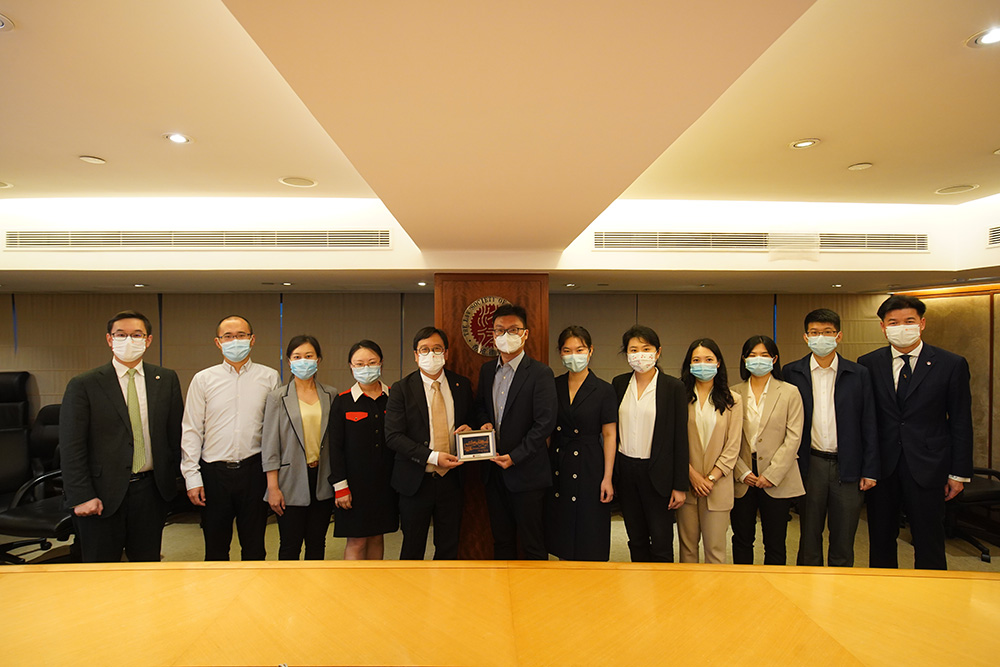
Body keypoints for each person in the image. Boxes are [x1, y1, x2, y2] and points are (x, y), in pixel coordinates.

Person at [858, 295, 973, 570]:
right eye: (893, 322)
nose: (902, 327)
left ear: (922, 323)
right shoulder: (868, 363)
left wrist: (958, 474)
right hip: (883, 467)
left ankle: (931, 592)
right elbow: (865, 418)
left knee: (929, 539)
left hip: (929, 466)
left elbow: (960, 421)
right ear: (883, 327)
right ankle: (884, 590)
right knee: (881, 538)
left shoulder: (950, 363)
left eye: (908, 321)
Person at [60, 310, 183, 562]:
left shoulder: (166, 379)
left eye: (137, 335)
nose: (129, 341)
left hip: (151, 491)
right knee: (101, 571)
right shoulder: (84, 384)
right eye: (121, 335)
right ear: (109, 339)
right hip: (100, 494)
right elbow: (72, 445)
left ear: (148, 340)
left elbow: (174, 435)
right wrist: (81, 495)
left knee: (146, 566)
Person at [783, 309, 879, 568]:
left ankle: (840, 586)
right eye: (814, 333)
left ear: (839, 336)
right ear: (805, 337)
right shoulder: (792, 372)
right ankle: (806, 585)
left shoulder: (858, 374)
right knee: (808, 536)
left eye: (827, 332)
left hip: (848, 466)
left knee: (844, 537)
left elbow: (869, 423)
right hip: (810, 463)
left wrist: (870, 469)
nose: (821, 338)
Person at [180, 315, 280, 561]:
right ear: (218, 342)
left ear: (252, 339)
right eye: (228, 336)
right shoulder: (203, 379)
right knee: (215, 549)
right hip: (214, 474)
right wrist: (192, 477)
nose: (235, 341)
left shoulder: (270, 377)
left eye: (241, 335)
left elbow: (275, 430)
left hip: (254, 471)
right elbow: (192, 430)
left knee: (255, 547)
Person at [469, 304, 557, 560]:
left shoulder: (540, 373)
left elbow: (545, 423)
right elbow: (480, 406)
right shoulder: (488, 371)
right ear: (493, 335)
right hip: (493, 471)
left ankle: (534, 587)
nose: (506, 335)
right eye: (500, 330)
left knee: (532, 544)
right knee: (501, 540)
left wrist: (515, 456)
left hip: (527, 472)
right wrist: (485, 423)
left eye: (513, 330)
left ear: (525, 334)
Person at [385, 327, 472, 560]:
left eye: (437, 349)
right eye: (424, 350)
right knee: (412, 549)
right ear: (415, 355)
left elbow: (472, 420)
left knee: (449, 547)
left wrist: (471, 429)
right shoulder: (401, 389)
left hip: (452, 481)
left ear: (446, 353)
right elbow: (393, 436)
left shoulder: (461, 385)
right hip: (415, 480)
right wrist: (432, 457)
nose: (431, 354)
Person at [611, 325, 688, 563]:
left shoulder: (673, 387)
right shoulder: (619, 384)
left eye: (646, 349)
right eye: (633, 350)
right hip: (626, 471)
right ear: (626, 354)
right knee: (636, 539)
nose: (640, 355)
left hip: (659, 474)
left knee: (661, 541)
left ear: (658, 351)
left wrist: (679, 485)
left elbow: (680, 438)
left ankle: (663, 585)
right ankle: (640, 582)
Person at [730, 335, 805, 565]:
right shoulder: (733, 393)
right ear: (744, 360)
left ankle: (774, 584)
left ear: (774, 359)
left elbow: (794, 437)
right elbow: (727, 439)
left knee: (775, 542)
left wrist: (772, 474)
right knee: (742, 538)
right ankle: (743, 583)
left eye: (764, 355)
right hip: (743, 475)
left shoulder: (790, 392)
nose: (758, 359)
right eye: (752, 355)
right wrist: (742, 471)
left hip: (777, 476)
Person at [545, 326, 617, 561]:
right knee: (562, 528)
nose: (573, 355)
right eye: (567, 350)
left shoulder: (604, 389)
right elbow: (547, 430)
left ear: (590, 350)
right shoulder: (553, 385)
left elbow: (609, 435)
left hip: (590, 464)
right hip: (559, 461)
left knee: (589, 527)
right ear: (560, 353)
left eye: (579, 349)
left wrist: (607, 477)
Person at [261, 335, 337, 560]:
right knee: (289, 544)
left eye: (309, 356)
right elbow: (270, 445)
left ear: (318, 360)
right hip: (289, 480)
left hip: (322, 478)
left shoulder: (331, 395)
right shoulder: (277, 397)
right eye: (297, 357)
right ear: (289, 361)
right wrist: (273, 488)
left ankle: (314, 584)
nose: (303, 361)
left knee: (317, 543)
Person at [329, 340, 398, 559]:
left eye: (371, 362)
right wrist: (340, 487)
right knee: (357, 540)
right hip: (353, 485)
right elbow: (335, 447)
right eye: (359, 364)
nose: (366, 368)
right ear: (351, 366)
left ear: (381, 363)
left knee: (377, 536)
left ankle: (374, 580)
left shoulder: (394, 398)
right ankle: (352, 582)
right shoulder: (342, 402)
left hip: (386, 483)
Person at [676, 338, 743, 564]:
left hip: (718, 486)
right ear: (689, 364)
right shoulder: (679, 396)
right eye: (696, 360)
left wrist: (711, 478)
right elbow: (674, 441)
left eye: (708, 359)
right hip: (687, 484)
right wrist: (692, 475)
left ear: (718, 363)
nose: (702, 364)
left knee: (715, 551)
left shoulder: (733, 400)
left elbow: (733, 446)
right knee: (687, 550)